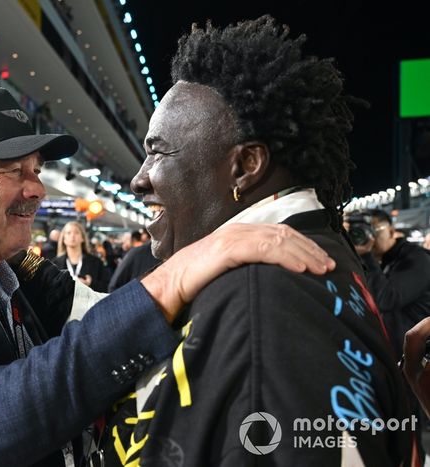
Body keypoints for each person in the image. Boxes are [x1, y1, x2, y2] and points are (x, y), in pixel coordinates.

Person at [0, 86, 334, 467]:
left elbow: (95, 311)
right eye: (15, 172)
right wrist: (172, 277)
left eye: (36, 170)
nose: (36, 191)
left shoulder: (8, 266)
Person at [79, 16, 409, 465]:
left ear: (245, 166)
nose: (139, 179)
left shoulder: (262, 297)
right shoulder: (301, 259)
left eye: (157, 152)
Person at [353, 209, 430, 360]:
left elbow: (387, 300)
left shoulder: (417, 258)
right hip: (394, 352)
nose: (370, 238)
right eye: (363, 231)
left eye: (374, 231)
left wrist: (366, 257)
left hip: (415, 358)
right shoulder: (381, 259)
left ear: (391, 231)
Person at [52, 221, 110, 292]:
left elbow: (107, 287)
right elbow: (50, 290)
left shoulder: (96, 262)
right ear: (64, 239)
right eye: (68, 233)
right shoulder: (55, 264)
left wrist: (91, 283)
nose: (72, 236)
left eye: (76, 232)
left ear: (82, 238)